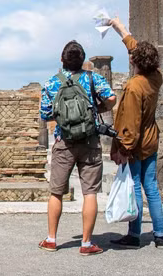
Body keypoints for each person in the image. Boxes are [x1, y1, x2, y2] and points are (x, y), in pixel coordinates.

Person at [38, 40, 117, 255]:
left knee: (56, 192)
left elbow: (45, 114)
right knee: (90, 192)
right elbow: (111, 98)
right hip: (90, 141)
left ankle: (51, 239)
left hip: (64, 141)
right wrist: (96, 109)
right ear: (83, 60)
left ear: (62, 60)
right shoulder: (93, 78)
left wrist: (65, 116)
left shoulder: (52, 83)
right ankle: (86, 243)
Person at [107, 18, 163, 249]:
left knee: (134, 187)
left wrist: (125, 148)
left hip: (136, 144)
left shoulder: (134, 87)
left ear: (135, 61)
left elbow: (131, 123)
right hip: (152, 139)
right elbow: (137, 49)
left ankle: (134, 235)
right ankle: (160, 235)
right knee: (151, 187)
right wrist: (119, 28)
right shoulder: (156, 77)